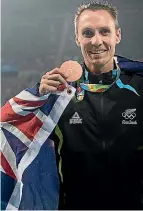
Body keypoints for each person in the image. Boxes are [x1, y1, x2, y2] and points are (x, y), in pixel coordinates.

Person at [1, 1, 143, 210]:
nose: (97, 41)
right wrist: (36, 97)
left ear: (117, 35)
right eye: (87, 33)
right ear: (77, 38)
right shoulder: (57, 95)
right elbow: (7, 125)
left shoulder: (140, 86)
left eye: (104, 31)